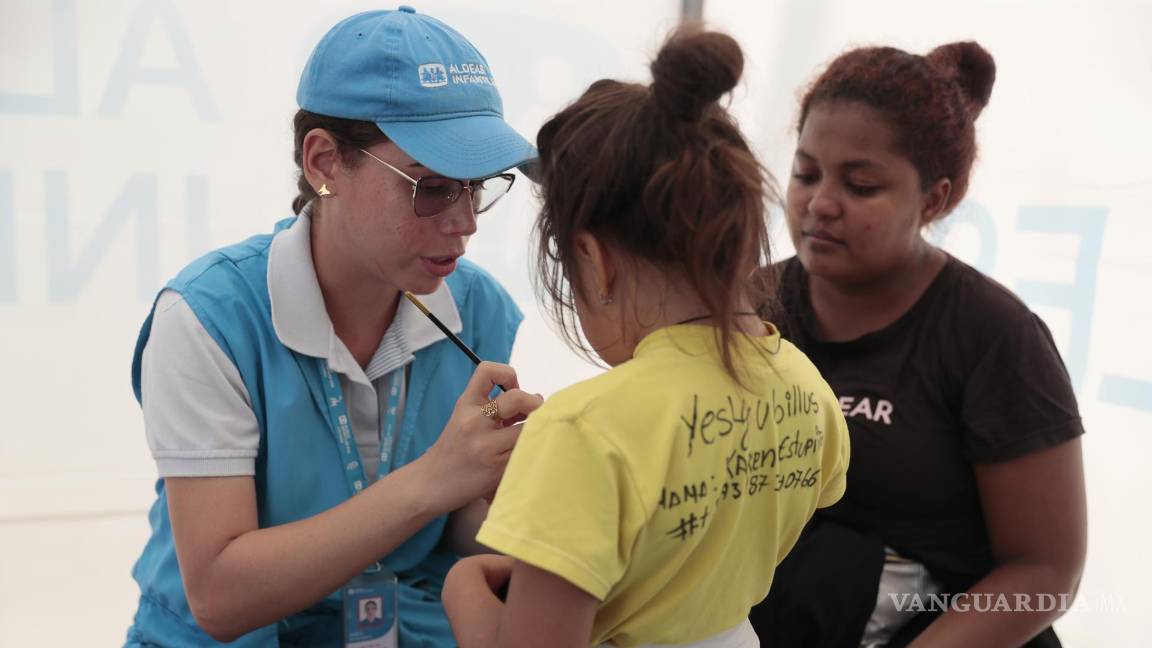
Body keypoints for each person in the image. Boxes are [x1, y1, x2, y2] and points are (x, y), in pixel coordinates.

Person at [123, 7, 544, 647]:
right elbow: (218, 596)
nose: (465, 221)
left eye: (478, 186)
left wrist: (533, 509)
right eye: (431, 186)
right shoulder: (208, 319)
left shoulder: (479, 306)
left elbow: (455, 520)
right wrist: (432, 479)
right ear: (323, 162)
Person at [440, 29, 851, 648]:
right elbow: (695, 547)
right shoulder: (807, 388)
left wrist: (465, 588)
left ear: (594, 259)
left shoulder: (582, 431)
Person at [748, 42, 1087, 647]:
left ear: (935, 199)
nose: (820, 204)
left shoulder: (995, 338)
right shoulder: (749, 307)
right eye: (806, 174)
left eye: (860, 185)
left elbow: (1044, 572)